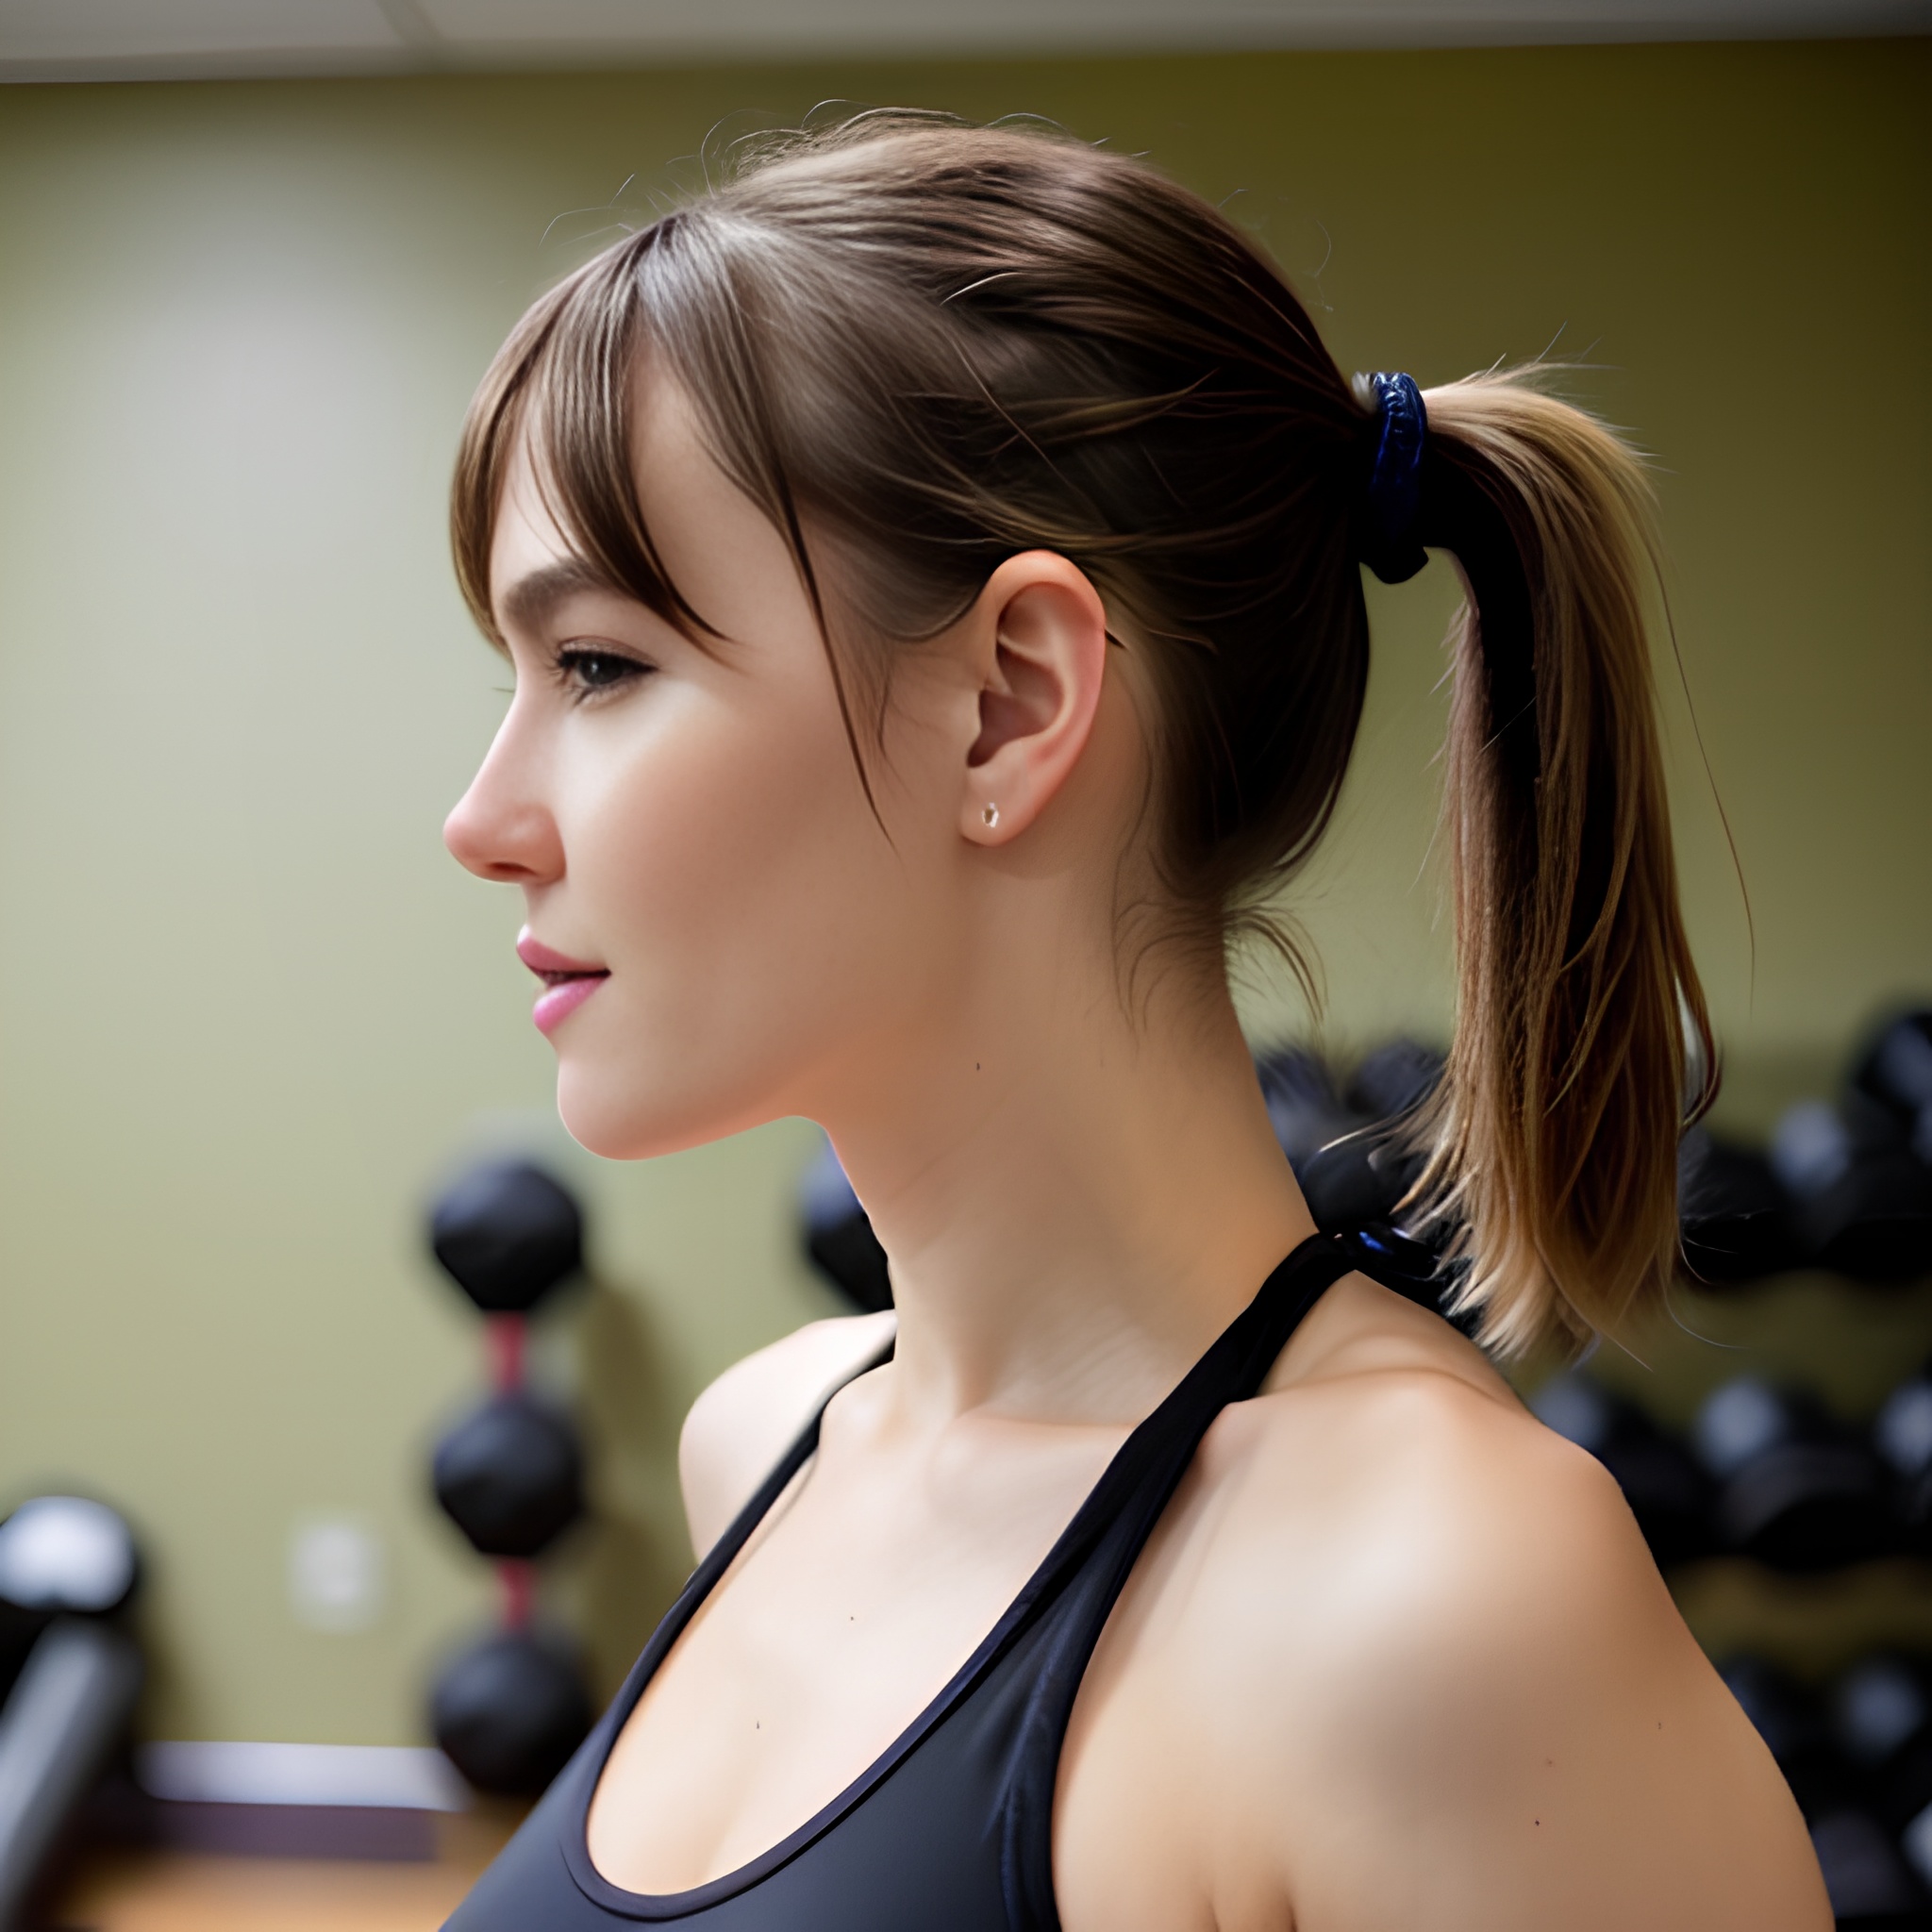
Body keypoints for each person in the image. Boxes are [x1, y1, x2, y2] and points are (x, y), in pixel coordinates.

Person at [439, 111, 1825, 1930]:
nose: (483, 819)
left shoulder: (1436, 1605)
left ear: (1012, 704)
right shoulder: (764, 1442)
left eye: (599, 665)